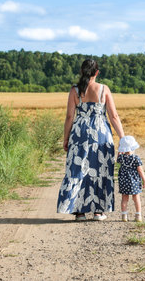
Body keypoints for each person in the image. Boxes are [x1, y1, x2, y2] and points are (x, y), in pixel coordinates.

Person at [57, 59, 125, 221]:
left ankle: (79, 211)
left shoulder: (74, 90)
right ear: (97, 72)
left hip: (79, 133)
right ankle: (98, 211)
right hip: (101, 133)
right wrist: (123, 138)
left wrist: (66, 138)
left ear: (82, 71)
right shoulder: (104, 89)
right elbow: (113, 116)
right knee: (101, 170)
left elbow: (69, 117)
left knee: (78, 169)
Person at [117, 135, 145, 222]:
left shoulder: (121, 158)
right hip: (134, 181)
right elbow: (140, 170)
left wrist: (120, 149)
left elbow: (118, 157)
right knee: (136, 198)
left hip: (123, 182)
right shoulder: (136, 158)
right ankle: (138, 215)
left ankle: (124, 216)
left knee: (124, 199)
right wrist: (144, 181)